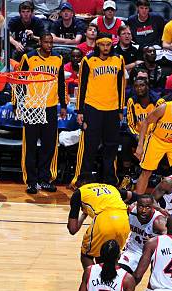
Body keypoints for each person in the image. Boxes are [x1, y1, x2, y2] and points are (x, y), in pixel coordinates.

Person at [71, 33, 126, 187]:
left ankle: (109, 180)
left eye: (108, 44)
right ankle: (84, 179)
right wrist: (80, 111)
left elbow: (121, 86)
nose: (106, 47)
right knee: (89, 146)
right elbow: (81, 86)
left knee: (111, 147)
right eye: (102, 44)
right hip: (92, 108)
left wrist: (120, 109)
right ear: (97, 45)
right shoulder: (88, 60)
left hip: (113, 109)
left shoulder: (119, 60)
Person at [19, 32, 67, 194]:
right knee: (30, 146)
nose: (49, 45)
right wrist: (17, 104)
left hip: (51, 106)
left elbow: (61, 83)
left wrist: (63, 105)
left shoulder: (58, 59)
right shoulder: (28, 58)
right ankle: (31, 181)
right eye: (46, 42)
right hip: (32, 106)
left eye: (51, 42)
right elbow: (20, 81)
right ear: (40, 42)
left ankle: (44, 179)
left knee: (49, 145)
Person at [67, 173, 131, 270]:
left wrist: (83, 215)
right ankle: (113, 283)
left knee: (86, 255)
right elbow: (133, 196)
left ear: (82, 183)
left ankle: (94, 280)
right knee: (111, 256)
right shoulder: (111, 188)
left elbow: (72, 229)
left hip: (104, 220)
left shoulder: (79, 192)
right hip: (124, 221)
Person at [119, 195, 166, 274]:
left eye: (147, 207)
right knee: (121, 272)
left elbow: (170, 238)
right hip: (133, 249)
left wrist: (155, 240)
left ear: (152, 207)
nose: (144, 210)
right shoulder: (131, 211)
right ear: (137, 205)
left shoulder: (158, 221)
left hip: (153, 252)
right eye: (141, 207)